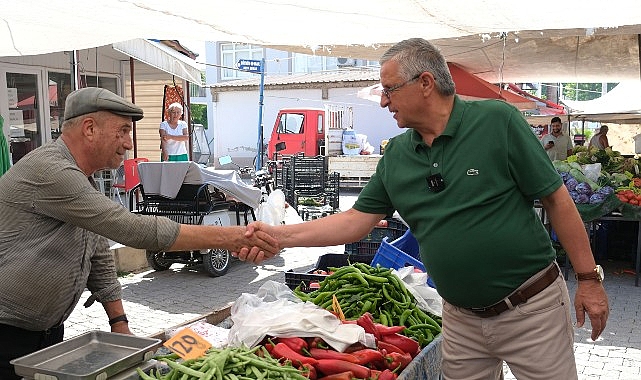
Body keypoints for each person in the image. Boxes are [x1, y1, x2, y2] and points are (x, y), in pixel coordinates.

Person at [237, 38, 609, 380]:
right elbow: (354, 221)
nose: (384, 101)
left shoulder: (498, 121)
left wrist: (588, 280)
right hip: (461, 321)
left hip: (532, 310)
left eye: (389, 89)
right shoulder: (397, 154)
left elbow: (557, 199)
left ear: (425, 82)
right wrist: (278, 236)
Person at [0, 87, 278, 379]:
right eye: (121, 131)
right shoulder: (52, 171)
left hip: (44, 332)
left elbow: (97, 253)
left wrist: (119, 322)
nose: (129, 144)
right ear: (90, 128)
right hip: (7, 333)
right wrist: (232, 237)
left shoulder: (81, 178)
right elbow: (131, 228)